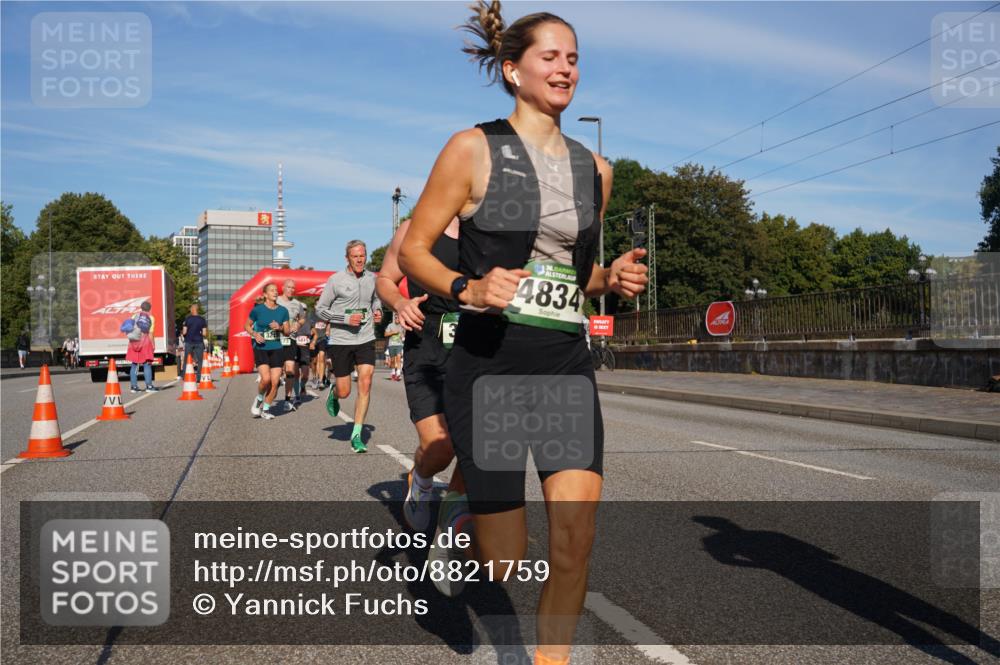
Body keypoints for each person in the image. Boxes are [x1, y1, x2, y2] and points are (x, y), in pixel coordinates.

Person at [397, 4, 648, 663]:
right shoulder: (474, 149)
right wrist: (468, 289)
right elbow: (414, 252)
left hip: (564, 363)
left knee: (573, 540)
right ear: (512, 70)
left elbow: (575, 273)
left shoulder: (595, 168)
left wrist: (609, 278)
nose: (566, 66)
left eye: (574, 58)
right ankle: (467, 528)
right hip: (491, 365)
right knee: (505, 559)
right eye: (551, 56)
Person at [376, 216, 467, 540]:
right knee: (440, 447)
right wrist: (400, 303)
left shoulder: (492, 230)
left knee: (476, 444)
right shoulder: (415, 228)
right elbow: (385, 277)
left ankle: (453, 524)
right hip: (426, 346)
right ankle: (422, 481)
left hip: (477, 350)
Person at [316, 239, 383, 453]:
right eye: (355, 256)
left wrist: (377, 310)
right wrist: (345, 319)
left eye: (362, 255)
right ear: (347, 258)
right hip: (341, 340)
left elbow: (375, 300)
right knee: (345, 391)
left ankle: (357, 434)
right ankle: (334, 393)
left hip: (365, 338)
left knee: (366, 382)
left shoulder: (372, 279)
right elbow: (320, 309)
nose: (360, 259)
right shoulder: (335, 280)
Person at [245, 283, 290, 420]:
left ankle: (265, 409)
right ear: (265, 294)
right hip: (261, 348)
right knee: (266, 379)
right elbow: (246, 325)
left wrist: (280, 327)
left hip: (277, 348)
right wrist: (254, 334)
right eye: (272, 290)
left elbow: (287, 332)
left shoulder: (283, 311)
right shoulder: (257, 310)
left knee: (275, 382)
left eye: (276, 290)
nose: (275, 292)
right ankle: (259, 398)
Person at [277, 279, 307, 411]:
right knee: (275, 372)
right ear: (283, 288)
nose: (291, 290)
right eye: (288, 287)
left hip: (290, 339)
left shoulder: (297, 304)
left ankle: (287, 400)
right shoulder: (276, 300)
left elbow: (302, 317)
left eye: (293, 288)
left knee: (290, 370)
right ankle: (264, 397)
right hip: (275, 339)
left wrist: (298, 324)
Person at [126, 301, 158, 393]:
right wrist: (153, 345)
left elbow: (129, 329)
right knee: (147, 364)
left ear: (141, 307)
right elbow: (150, 333)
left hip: (134, 342)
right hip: (145, 342)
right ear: (149, 309)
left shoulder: (134, 316)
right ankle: (149, 386)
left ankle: (134, 387)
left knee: (134, 364)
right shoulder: (151, 318)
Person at [181, 303, 209, 377]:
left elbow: (184, 332)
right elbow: (204, 333)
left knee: (187, 359)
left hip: (189, 341)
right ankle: (199, 377)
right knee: (200, 360)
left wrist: (185, 335)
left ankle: (184, 376)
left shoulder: (187, 319)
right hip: (199, 341)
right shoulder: (202, 320)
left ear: (193, 310)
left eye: (190, 309)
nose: (190, 310)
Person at [383, 315, 405, 381]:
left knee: (398, 357)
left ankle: (398, 373)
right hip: (391, 345)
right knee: (392, 360)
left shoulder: (402, 326)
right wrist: (393, 332)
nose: (397, 319)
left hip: (399, 345)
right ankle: (393, 372)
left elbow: (404, 334)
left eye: (398, 318)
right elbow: (385, 334)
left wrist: (403, 337)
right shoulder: (390, 325)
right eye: (395, 318)